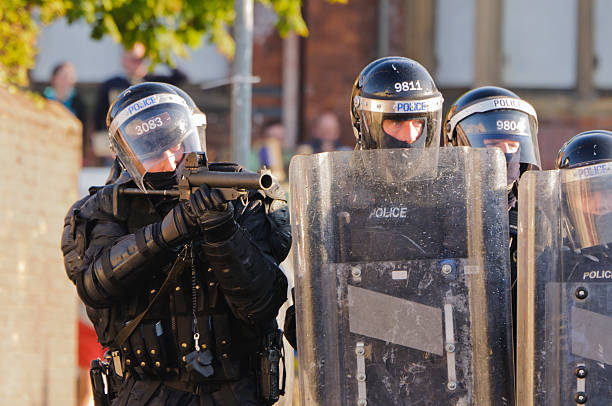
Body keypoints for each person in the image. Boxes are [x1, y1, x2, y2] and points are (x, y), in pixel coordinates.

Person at [286, 57, 514, 404]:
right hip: (364, 385)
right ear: (367, 124)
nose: (410, 136)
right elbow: (303, 324)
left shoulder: (457, 201)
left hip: (448, 386)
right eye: (395, 122)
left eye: (418, 123)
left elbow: (485, 311)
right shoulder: (338, 204)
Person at [61, 82, 291, 405]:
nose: (172, 159)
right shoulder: (107, 209)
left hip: (235, 391)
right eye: (155, 151)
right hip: (144, 393)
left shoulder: (239, 196)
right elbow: (95, 284)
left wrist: (222, 231)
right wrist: (170, 230)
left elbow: (264, 303)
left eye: (178, 144)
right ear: (128, 156)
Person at [515, 130, 612, 404]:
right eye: (589, 194)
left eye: (608, 191)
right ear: (567, 201)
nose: (601, 204)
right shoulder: (552, 263)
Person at [443, 86, 541, 349]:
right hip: (460, 346)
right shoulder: (442, 215)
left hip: (522, 352)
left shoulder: (537, 217)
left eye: (513, 145)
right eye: (493, 146)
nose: (506, 155)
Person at [92, 43, 187, 162]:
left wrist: (162, 57)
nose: (139, 63)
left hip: (152, 146)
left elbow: (182, 78)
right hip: (121, 146)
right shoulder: (111, 84)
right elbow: (100, 116)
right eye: (134, 60)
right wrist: (106, 146)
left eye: (142, 59)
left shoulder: (154, 82)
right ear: (124, 60)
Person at [43, 62, 89, 161]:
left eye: (70, 77)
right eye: (63, 76)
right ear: (54, 79)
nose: (66, 81)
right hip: (47, 149)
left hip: (71, 150)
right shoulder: (43, 100)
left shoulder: (78, 102)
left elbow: (83, 129)